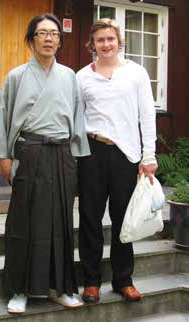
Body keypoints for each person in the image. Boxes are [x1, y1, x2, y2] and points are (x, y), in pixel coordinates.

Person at [0, 13, 90, 313]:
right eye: (42, 33)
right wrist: (4, 157)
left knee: (62, 223)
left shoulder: (69, 76)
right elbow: (2, 118)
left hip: (61, 154)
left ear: (60, 40)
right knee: (23, 221)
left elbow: (78, 120)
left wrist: (77, 158)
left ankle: (61, 287)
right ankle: (19, 290)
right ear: (31, 40)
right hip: (28, 152)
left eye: (54, 33)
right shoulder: (17, 75)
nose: (48, 38)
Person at [76, 18, 158, 303]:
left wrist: (149, 155)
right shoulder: (82, 77)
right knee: (90, 218)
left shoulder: (136, 73)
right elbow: (77, 119)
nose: (106, 44)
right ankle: (91, 282)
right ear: (92, 45)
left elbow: (147, 115)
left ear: (119, 41)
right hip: (92, 152)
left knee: (124, 218)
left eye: (110, 39)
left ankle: (123, 280)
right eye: (100, 40)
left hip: (127, 156)